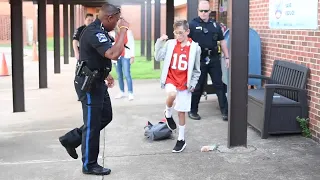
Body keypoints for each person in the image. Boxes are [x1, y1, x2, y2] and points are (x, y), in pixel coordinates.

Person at [58, 3, 129, 176]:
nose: (118, 22)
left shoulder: (101, 30)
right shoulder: (93, 32)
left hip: (97, 81)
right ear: (109, 17)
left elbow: (95, 57)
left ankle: (72, 138)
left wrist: (106, 74)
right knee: (93, 124)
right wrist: (124, 30)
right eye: (117, 19)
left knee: (105, 116)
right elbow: (113, 53)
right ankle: (89, 164)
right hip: (89, 84)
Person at [154, 20, 201, 153]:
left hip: (184, 83)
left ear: (187, 32)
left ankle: (181, 139)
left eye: (181, 33)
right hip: (171, 79)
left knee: (181, 112)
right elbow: (158, 57)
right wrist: (160, 41)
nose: (178, 36)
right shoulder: (170, 44)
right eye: (176, 33)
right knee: (171, 94)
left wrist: (192, 84)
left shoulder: (195, 48)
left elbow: (197, 70)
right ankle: (168, 113)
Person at [188, 0, 230, 121]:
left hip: (214, 59)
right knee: (198, 86)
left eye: (206, 11)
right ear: (198, 11)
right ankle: (193, 111)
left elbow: (222, 42)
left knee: (219, 85)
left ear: (209, 11)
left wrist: (227, 57)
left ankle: (225, 112)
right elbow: (186, 41)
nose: (203, 13)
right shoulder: (192, 24)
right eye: (201, 11)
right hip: (199, 59)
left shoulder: (215, 25)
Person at [110, 24, 135, 100]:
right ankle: (121, 91)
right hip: (117, 57)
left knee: (127, 74)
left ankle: (130, 92)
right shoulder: (112, 34)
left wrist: (132, 56)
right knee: (119, 75)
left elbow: (132, 44)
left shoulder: (128, 32)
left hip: (126, 56)